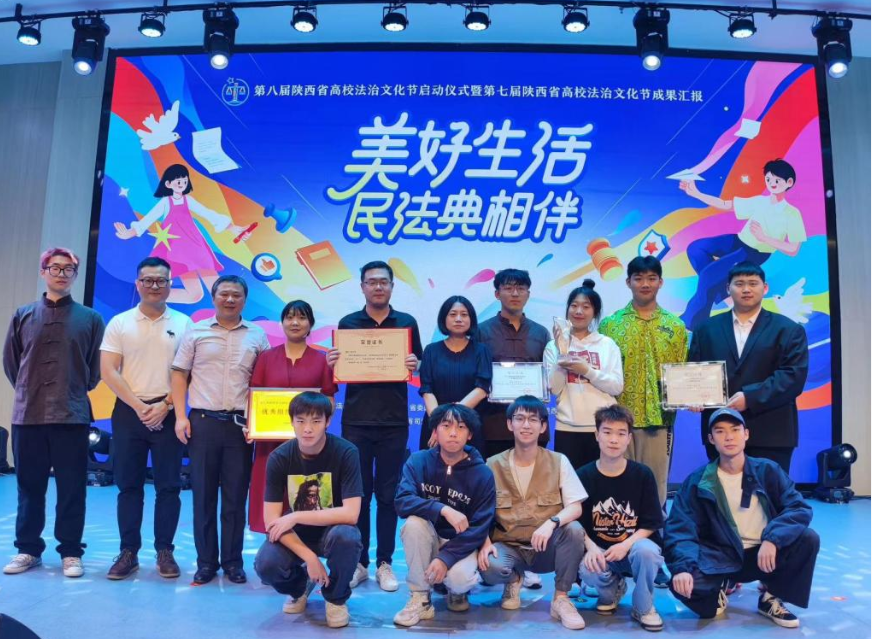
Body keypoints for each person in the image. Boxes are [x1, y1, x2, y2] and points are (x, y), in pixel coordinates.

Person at [665, 408, 819, 628]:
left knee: (808, 539)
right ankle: (721, 586)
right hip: (720, 556)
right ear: (711, 439)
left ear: (746, 434)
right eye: (720, 431)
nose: (729, 437)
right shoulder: (698, 481)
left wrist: (773, 539)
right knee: (681, 583)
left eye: (735, 430)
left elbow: (799, 508)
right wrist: (682, 568)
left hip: (762, 554)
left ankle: (771, 597)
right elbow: (680, 529)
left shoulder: (768, 470)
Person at [2, 248, 105, 578]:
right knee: (29, 487)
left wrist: (71, 389)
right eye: (55, 267)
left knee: (72, 488)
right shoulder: (23, 314)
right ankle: (28, 549)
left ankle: (71, 552)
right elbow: (12, 363)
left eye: (68, 269)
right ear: (43, 271)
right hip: (28, 414)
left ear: (75, 275)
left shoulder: (90, 318)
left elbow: (95, 369)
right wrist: (28, 388)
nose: (61, 274)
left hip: (71, 415)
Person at [327, 260, 423, 591]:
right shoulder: (348, 323)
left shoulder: (406, 323)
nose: (378, 287)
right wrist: (333, 363)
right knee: (359, 494)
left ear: (392, 287)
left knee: (387, 495)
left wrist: (414, 362)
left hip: (394, 422)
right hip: (356, 422)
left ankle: (384, 563)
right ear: (362, 287)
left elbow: (417, 364)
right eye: (371, 282)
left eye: (383, 282)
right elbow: (339, 371)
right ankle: (359, 563)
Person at [170, 275, 270, 585]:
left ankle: (233, 562)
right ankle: (206, 563)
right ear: (213, 298)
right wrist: (180, 416)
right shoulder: (196, 331)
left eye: (236, 295)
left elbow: (264, 383)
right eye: (224, 294)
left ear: (244, 300)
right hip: (202, 423)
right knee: (203, 496)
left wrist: (259, 423)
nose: (230, 299)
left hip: (240, 427)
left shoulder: (257, 335)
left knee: (235, 497)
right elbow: (179, 374)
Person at [99, 257, 193, 580]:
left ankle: (165, 552)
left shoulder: (184, 323)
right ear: (138, 284)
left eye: (161, 281)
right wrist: (139, 406)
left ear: (169, 285)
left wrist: (166, 405)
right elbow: (108, 371)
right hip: (129, 412)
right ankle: (128, 552)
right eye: (148, 280)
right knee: (128, 486)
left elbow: (190, 372)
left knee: (169, 486)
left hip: (169, 412)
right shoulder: (120, 323)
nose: (155, 286)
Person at [478, 396, 588, 630]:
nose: (526, 425)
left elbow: (575, 506)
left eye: (533, 419)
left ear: (543, 426)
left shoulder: (559, 461)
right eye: (519, 419)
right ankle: (513, 579)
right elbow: (480, 513)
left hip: (545, 549)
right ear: (510, 424)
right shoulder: (492, 465)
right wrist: (485, 543)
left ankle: (561, 598)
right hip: (508, 547)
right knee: (488, 565)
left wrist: (551, 523)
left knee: (574, 530)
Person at [254, 392, 363, 629]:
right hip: (297, 534)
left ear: (328, 421)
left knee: (347, 537)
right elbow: (272, 520)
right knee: (265, 564)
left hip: (333, 531)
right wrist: (309, 557)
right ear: (291, 421)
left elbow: (351, 513)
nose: (307, 429)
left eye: (316, 421)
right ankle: (300, 586)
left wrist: (296, 515)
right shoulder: (279, 457)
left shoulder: (346, 453)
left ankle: (336, 598)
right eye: (301, 421)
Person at [688, 263, 808, 473]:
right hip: (722, 430)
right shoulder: (705, 329)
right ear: (728, 288)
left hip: (772, 432)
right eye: (739, 284)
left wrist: (750, 397)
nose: (746, 289)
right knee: (724, 491)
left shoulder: (789, 330)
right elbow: (695, 372)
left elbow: (793, 377)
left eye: (753, 283)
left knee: (769, 491)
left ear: (765, 288)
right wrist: (694, 396)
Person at [393, 404, 496, 626]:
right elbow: (402, 501)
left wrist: (445, 558)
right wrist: (442, 509)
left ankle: (456, 591)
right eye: (446, 426)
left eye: (461, 427)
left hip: (461, 543)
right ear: (434, 432)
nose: (453, 433)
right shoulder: (418, 461)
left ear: (470, 435)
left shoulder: (483, 473)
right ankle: (421, 598)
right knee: (413, 524)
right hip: (428, 538)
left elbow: (479, 527)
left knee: (459, 579)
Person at [599, 256, 687, 509]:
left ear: (661, 282)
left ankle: (654, 528)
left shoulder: (676, 326)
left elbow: (682, 371)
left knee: (655, 486)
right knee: (617, 483)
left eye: (651, 278)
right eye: (638, 278)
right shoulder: (610, 325)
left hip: (660, 419)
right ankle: (616, 527)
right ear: (628, 282)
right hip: (618, 420)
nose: (645, 284)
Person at [678, 159, 807, 330]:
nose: (772, 183)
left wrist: (764, 237)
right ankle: (723, 292)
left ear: (789, 182)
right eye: (769, 179)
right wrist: (696, 193)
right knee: (696, 249)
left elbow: (793, 249)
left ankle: (691, 323)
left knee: (709, 276)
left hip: (754, 252)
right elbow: (725, 204)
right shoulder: (760, 201)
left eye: (777, 180)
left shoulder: (792, 213)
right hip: (737, 241)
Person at [248, 300, 338, 534]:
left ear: (310, 324)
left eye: (301, 317)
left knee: (306, 497)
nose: (295, 322)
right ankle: (273, 543)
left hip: (308, 443)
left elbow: (329, 399)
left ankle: (306, 544)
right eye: (289, 317)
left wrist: (318, 428)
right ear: (282, 323)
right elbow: (255, 396)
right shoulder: (266, 358)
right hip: (270, 443)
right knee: (270, 494)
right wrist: (251, 425)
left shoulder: (322, 359)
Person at [577, 405, 665, 632]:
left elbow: (652, 522)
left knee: (647, 552)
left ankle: (643, 607)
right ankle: (613, 590)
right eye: (607, 432)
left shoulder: (642, 474)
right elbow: (577, 521)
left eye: (621, 433)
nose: (613, 440)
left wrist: (625, 545)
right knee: (588, 568)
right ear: (597, 435)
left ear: (629, 438)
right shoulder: (583, 475)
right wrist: (592, 548)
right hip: (602, 551)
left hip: (635, 547)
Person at [113, 164, 254, 304]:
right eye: (178, 181)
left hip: (196, 247)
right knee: (196, 295)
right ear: (168, 184)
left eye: (185, 181)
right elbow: (148, 219)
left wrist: (232, 228)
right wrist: (129, 233)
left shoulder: (188, 200)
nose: (182, 184)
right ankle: (150, 294)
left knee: (208, 289)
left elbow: (208, 214)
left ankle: (151, 294)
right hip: (179, 252)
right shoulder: (166, 202)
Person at [544, 279, 623, 471]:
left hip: (603, 428)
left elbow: (616, 387)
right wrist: (562, 351)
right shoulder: (552, 346)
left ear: (595, 312)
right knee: (569, 484)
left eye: (586, 307)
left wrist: (587, 371)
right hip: (567, 427)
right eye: (574, 306)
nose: (579, 311)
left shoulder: (607, 344)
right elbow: (554, 389)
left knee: (601, 483)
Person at [476, 269, 550, 460]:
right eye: (508, 288)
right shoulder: (481, 332)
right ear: (497, 294)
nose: (515, 294)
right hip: (493, 425)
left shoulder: (541, 333)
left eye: (520, 288)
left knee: (533, 477)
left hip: (532, 425)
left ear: (528, 294)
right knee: (493, 477)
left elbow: (548, 376)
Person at [418, 296, 491, 455]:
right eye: (453, 314)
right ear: (444, 319)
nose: (458, 319)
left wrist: (450, 419)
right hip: (435, 424)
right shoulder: (431, 350)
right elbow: (427, 390)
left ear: (471, 319)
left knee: (469, 468)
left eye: (464, 315)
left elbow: (482, 388)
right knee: (432, 468)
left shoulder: (481, 350)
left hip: (469, 423)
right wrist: (439, 424)